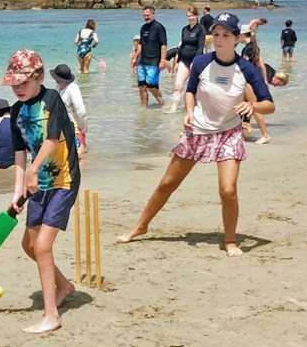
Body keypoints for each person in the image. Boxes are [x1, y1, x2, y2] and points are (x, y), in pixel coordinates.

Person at [117, 13, 275, 257]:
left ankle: (230, 240)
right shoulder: (201, 62)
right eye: (217, 34)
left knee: (228, 190)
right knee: (168, 183)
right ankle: (141, 226)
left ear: (236, 39)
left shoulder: (246, 69)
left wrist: (252, 107)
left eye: (226, 35)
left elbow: (269, 104)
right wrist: (189, 111)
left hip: (228, 133)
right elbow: (190, 91)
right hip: (198, 130)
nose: (220, 39)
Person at [0, 48, 80, 334]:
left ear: (39, 76)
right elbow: (19, 154)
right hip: (36, 186)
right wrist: (17, 190)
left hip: (63, 180)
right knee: (29, 246)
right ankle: (64, 286)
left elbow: (52, 140)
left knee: (43, 246)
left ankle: (51, 315)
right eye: (14, 83)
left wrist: (34, 170)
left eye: (23, 82)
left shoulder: (52, 100)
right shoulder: (17, 112)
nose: (18, 88)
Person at [165, 6, 206, 114]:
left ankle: (195, 110)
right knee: (177, 86)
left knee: (195, 89)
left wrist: (195, 62)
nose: (190, 18)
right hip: (184, 60)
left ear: (197, 16)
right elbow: (182, 46)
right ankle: (173, 110)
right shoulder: (185, 29)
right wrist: (177, 62)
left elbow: (201, 46)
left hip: (196, 62)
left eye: (192, 15)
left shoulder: (200, 29)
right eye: (188, 16)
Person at [131, 6, 167, 108]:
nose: (146, 17)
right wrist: (135, 57)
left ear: (153, 14)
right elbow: (141, 44)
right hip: (142, 61)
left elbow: (163, 45)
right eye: (144, 15)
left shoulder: (159, 28)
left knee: (151, 86)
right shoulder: (143, 28)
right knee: (142, 86)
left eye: (148, 15)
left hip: (154, 61)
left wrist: (162, 60)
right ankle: (144, 109)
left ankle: (161, 101)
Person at [50, 64, 88, 155]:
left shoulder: (72, 88)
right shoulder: (57, 88)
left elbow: (81, 111)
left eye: (57, 80)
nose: (56, 82)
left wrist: (82, 128)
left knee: (78, 155)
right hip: (64, 129)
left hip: (75, 128)